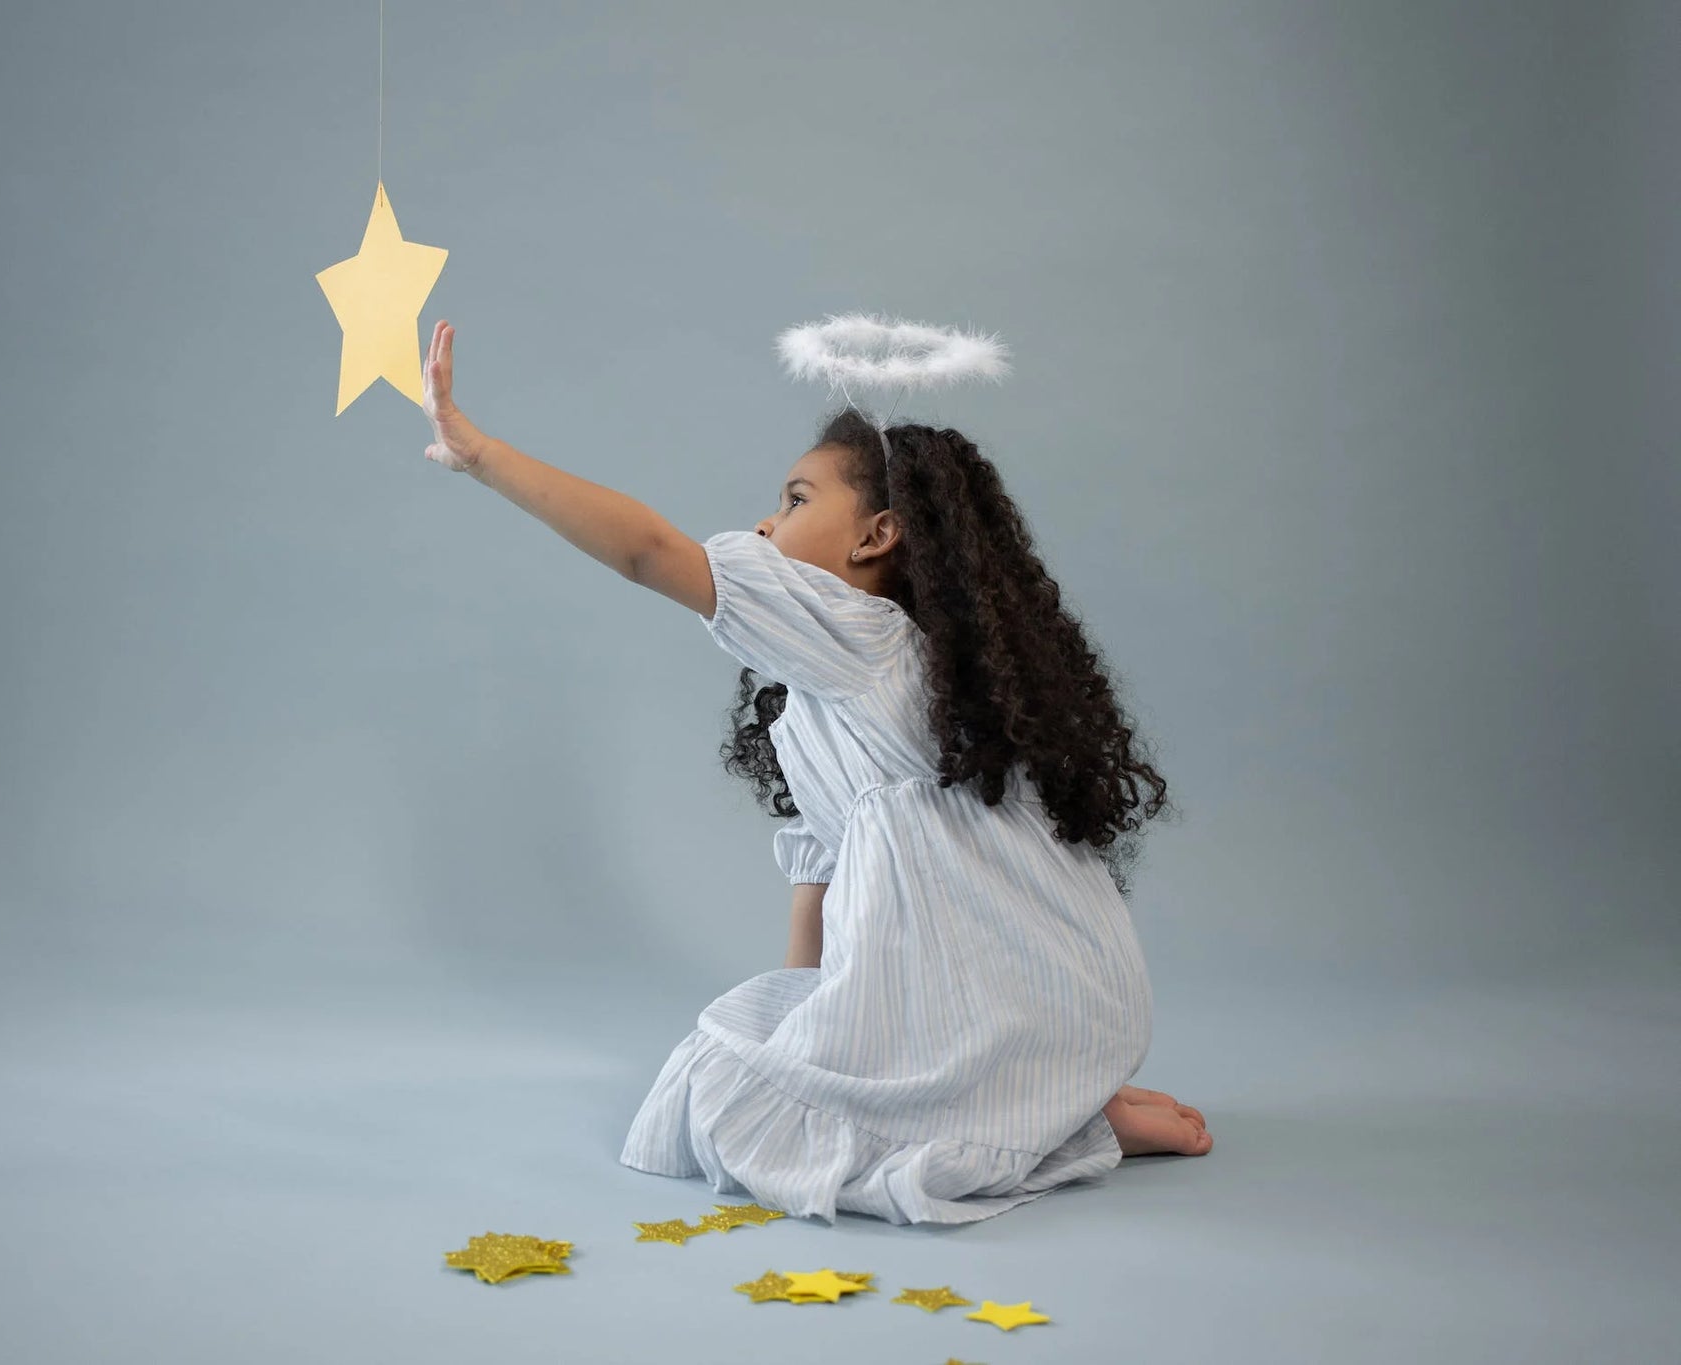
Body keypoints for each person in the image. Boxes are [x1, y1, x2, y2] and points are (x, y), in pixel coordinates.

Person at [419, 319, 1212, 1226]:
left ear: (878, 535)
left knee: (730, 1100)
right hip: (1035, 991)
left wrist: (480, 452)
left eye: (794, 500)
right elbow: (821, 887)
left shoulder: (859, 636)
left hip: (1022, 989)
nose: (764, 523)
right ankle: (1068, 1103)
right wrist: (806, 1040)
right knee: (766, 1062)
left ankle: (1064, 1106)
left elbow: (649, 551)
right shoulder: (827, 693)